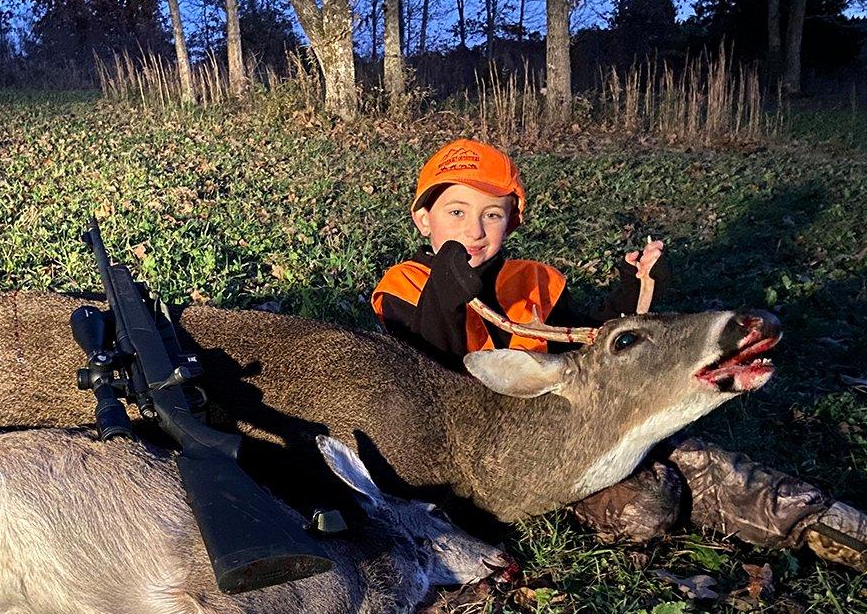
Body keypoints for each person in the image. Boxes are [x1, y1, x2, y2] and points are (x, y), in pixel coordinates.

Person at [371, 138, 866, 571]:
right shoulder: (403, 286)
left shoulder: (535, 280)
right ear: (423, 220)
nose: (474, 231)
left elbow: (594, 341)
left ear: (512, 222)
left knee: (688, 454)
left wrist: (634, 288)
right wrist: (444, 292)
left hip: (572, 419)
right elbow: (419, 380)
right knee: (646, 504)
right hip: (496, 458)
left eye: (492, 215)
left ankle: (822, 522)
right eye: (456, 212)